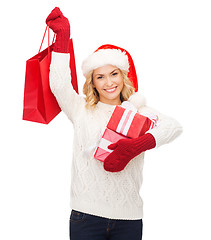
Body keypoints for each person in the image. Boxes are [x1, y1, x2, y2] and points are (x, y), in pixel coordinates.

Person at [46, 7, 183, 240]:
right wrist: (62, 39)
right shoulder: (81, 109)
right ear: (93, 83)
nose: (109, 82)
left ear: (123, 76)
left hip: (128, 218)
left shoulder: (139, 112)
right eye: (100, 77)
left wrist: (135, 146)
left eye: (114, 74)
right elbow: (59, 84)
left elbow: (173, 127)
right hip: (86, 215)